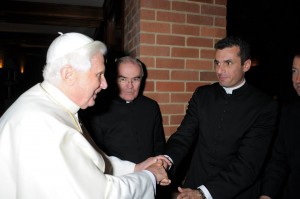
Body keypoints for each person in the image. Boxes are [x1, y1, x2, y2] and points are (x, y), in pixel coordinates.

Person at [0, 32, 171, 199]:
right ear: (68, 74)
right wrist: (149, 176)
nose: (104, 84)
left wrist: (136, 168)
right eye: (98, 75)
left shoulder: (56, 107)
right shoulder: (40, 124)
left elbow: (91, 162)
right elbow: (103, 193)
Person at [164, 36, 278, 199]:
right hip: (193, 187)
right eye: (217, 63)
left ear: (246, 65)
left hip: (234, 192)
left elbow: (247, 165)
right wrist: (167, 160)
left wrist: (204, 193)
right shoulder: (202, 95)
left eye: (228, 63)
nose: (219, 70)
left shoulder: (264, 106)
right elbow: (183, 136)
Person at [87, 56, 166, 164]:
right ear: (115, 80)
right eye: (123, 79)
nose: (130, 86)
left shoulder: (151, 106)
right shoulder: (99, 110)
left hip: (148, 175)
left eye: (135, 79)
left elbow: (159, 144)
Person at [259, 52, 300, 199]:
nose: (297, 80)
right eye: (294, 71)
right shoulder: (288, 113)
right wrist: (266, 195)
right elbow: (278, 161)